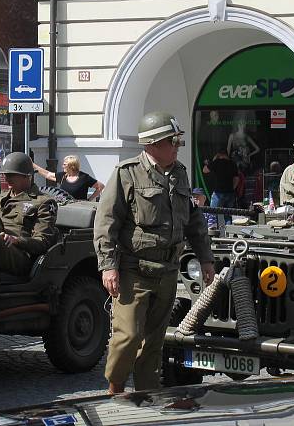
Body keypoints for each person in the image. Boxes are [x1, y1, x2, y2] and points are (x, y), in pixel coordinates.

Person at [94, 111, 215, 395]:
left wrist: (206, 258)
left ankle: (147, 398)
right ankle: (116, 390)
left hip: (167, 271)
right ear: (152, 144)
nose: (177, 146)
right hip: (133, 271)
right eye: (172, 141)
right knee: (129, 336)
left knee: (154, 342)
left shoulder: (180, 174)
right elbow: (106, 222)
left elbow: (194, 222)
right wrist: (108, 266)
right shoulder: (127, 173)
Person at [0, 152, 59, 276]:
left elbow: (43, 242)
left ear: (27, 176)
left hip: (21, 255)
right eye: (6, 175)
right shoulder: (0, 197)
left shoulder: (43, 202)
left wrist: (17, 240)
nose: (7, 178)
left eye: (12, 175)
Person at [34, 155, 105, 201]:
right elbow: (48, 175)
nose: (62, 166)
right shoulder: (63, 176)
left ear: (72, 166)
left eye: (65, 164)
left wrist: (89, 199)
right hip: (65, 208)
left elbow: (100, 186)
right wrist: (33, 165)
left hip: (79, 209)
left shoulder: (84, 177)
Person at [202, 150, 239, 227]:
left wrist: (210, 162)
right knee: (228, 215)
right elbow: (236, 179)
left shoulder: (217, 162)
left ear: (219, 155)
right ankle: (229, 234)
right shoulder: (232, 164)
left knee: (213, 214)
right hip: (230, 193)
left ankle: (214, 234)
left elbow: (205, 170)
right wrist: (232, 188)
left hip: (218, 193)